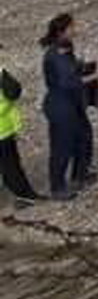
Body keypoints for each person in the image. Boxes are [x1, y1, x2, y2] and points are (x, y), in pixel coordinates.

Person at [39, 14, 97, 200]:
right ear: (61, 31)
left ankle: (80, 175)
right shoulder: (55, 55)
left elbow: (71, 71)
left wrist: (83, 66)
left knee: (84, 137)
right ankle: (57, 188)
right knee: (62, 146)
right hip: (60, 106)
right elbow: (68, 82)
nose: (75, 29)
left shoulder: (66, 48)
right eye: (72, 27)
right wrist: (96, 76)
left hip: (72, 103)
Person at [1, 55, 39, 205]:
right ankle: (24, 195)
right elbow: (14, 91)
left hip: (4, 128)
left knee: (9, 164)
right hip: (2, 130)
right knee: (10, 165)